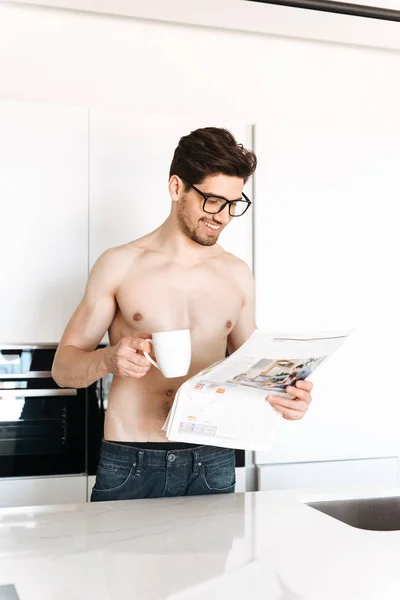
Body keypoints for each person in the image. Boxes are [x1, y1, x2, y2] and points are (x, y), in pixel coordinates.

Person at [52, 127, 313, 501]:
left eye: (233, 204)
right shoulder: (120, 265)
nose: (222, 216)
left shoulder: (237, 274)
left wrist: (287, 396)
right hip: (130, 460)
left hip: (213, 459)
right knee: (114, 563)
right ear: (177, 188)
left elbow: (253, 372)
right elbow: (64, 370)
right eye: (212, 200)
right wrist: (109, 358)